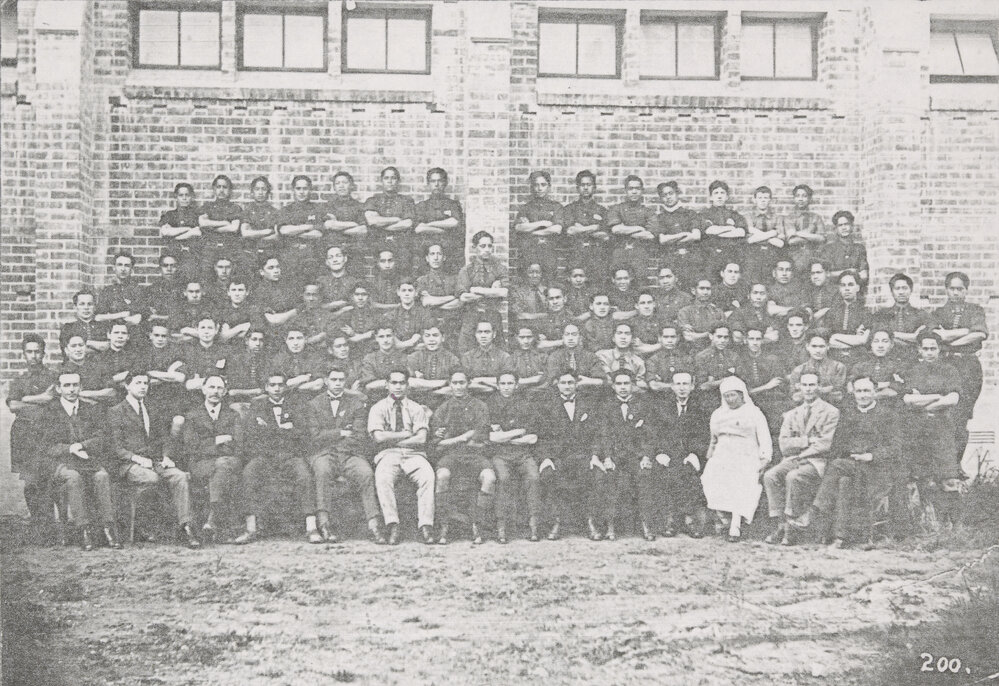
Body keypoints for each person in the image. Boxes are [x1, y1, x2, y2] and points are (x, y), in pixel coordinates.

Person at [109, 372, 200, 548]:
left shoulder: (152, 408)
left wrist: (166, 456)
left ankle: (186, 527)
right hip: (129, 463)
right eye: (138, 383)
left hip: (155, 460)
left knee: (179, 476)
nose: (143, 386)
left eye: (146, 383)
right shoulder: (116, 411)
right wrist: (136, 459)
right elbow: (116, 447)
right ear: (127, 386)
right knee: (151, 478)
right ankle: (144, 526)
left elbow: (164, 438)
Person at [806, 376, 900, 547]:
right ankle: (840, 538)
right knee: (843, 480)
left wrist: (871, 456)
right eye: (859, 391)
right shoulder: (848, 415)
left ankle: (816, 509)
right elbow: (837, 446)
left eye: (867, 391)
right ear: (854, 393)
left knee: (837, 466)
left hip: (876, 469)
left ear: (875, 392)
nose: (863, 395)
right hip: (850, 467)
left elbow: (896, 447)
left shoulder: (888, 415)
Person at [234, 371, 323, 544]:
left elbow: (303, 434)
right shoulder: (256, 405)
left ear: (285, 387)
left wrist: (269, 429)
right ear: (266, 387)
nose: (276, 389)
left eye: (280, 385)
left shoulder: (296, 405)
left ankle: (311, 527)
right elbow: (252, 434)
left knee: (304, 475)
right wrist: (283, 430)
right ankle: (250, 528)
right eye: (272, 385)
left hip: (290, 454)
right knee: (249, 473)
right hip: (264, 455)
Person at [40, 371, 120, 550]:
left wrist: (81, 445)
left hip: (86, 459)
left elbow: (100, 437)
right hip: (60, 462)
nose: (71, 389)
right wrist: (70, 448)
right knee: (73, 478)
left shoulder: (90, 409)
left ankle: (108, 528)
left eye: (75, 385)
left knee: (102, 476)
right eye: (66, 386)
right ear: (59, 389)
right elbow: (46, 446)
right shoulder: (49, 412)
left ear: (81, 387)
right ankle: (83, 529)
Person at [307, 367, 386, 544]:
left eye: (341, 380)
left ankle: (374, 525)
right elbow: (315, 437)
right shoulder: (314, 404)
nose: (337, 384)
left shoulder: (356, 404)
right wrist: (342, 432)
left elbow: (358, 435)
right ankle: (324, 524)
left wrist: (331, 435)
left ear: (345, 382)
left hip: (350, 454)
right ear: (326, 381)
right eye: (333, 380)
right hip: (324, 454)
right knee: (322, 471)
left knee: (365, 473)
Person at [764, 371, 841, 545]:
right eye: (805, 385)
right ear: (799, 386)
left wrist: (800, 451)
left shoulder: (831, 412)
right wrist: (807, 440)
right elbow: (784, 444)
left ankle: (791, 528)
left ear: (819, 387)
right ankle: (781, 524)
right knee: (770, 475)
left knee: (794, 477)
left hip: (817, 461)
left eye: (812, 385)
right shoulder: (791, 414)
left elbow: (825, 443)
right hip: (793, 459)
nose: (808, 389)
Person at [898, 332, 964, 528]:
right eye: (925, 349)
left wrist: (923, 402)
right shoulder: (912, 371)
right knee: (923, 476)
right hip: (918, 429)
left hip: (942, 428)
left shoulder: (949, 370)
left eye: (932, 348)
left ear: (939, 349)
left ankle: (955, 524)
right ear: (919, 350)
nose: (929, 353)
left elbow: (953, 399)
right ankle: (929, 523)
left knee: (948, 476)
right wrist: (937, 397)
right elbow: (907, 400)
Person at [367, 369, 436, 545]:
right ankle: (392, 524)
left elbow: (421, 438)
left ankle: (426, 525)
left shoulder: (416, 408)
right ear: (386, 385)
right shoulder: (378, 408)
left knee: (428, 475)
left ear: (408, 385)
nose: (398, 387)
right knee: (382, 477)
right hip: (389, 454)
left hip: (414, 454)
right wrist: (406, 434)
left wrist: (395, 439)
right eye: (394, 383)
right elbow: (378, 437)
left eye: (402, 383)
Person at [700, 376, 772, 542]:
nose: (730, 399)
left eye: (733, 395)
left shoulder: (754, 413)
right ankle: (724, 519)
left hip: (746, 454)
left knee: (741, 482)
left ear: (742, 395)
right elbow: (713, 439)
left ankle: (736, 525)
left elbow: (764, 438)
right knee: (709, 478)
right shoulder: (718, 414)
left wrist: (764, 458)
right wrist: (709, 457)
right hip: (723, 454)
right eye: (727, 396)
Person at [591, 371, 659, 541]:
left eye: (626, 384)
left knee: (644, 477)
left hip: (636, 457)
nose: (623, 387)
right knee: (609, 478)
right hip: (614, 456)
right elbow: (603, 435)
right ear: (613, 386)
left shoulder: (643, 405)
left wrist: (646, 457)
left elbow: (649, 435)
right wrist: (606, 457)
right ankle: (610, 525)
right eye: (619, 384)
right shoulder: (605, 407)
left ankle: (646, 525)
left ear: (632, 385)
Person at [430, 369, 495, 544]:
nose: (458, 387)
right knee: (442, 475)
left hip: (475, 455)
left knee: (489, 477)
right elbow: (437, 443)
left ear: (469, 384)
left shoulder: (480, 406)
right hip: (450, 456)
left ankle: (477, 524)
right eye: (455, 383)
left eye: (462, 383)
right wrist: (463, 437)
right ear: (450, 384)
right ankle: (444, 525)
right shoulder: (443, 409)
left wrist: (451, 439)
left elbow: (480, 436)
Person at [930, 271, 989, 462]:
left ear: (966, 290)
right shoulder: (938, 313)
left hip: (968, 366)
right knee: (945, 414)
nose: (956, 293)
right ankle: (943, 464)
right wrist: (964, 332)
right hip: (945, 366)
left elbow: (979, 334)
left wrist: (950, 339)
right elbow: (936, 337)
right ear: (946, 290)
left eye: (960, 289)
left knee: (962, 415)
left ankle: (957, 464)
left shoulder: (975, 310)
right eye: (952, 289)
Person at [536, 370, 599, 540]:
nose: (567, 386)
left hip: (583, 454)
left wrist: (594, 455)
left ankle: (590, 521)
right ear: (557, 384)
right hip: (558, 456)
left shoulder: (588, 405)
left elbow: (598, 434)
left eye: (570, 383)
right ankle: (557, 521)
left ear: (577, 384)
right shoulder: (546, 406)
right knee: (549, 475)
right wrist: (546, 458)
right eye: (563, 383)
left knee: (594, 474)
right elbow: (541, 437)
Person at [180, 375, 243, 542]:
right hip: (201, 464)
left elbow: (238, 444)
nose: (215, 392)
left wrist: (207, 445)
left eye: (219, 388)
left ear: (225, 391)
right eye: (211, 387)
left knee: (224, 465)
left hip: (229, 461)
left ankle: (212, 520)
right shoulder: (192, 415)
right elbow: (191, 447)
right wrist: (219, 440)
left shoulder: (233, 415)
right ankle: (214, 521)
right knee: (222, 466)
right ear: (203, 389)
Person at [7, 334, 57, 524]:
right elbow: (13, 406)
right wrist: (39, 399)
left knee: (47, 477)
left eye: (37, 352)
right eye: (30, 352)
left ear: (43, 353)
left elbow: (52, 401)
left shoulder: (52, 376)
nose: (34, 356)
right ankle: (38, 521)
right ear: (24, 354)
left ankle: (48, 522)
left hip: (46, 432)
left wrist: (26, 399)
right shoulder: (19, 380)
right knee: (30, 480)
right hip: (24, 434)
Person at [656, 371, 711, 538]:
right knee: (667, 472)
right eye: (678, 384)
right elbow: (655, 433)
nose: (682, 388)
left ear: (692, 387)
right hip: (668, 454)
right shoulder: (662, 407)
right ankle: (671, 519)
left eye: (685, 384)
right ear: (672, 387)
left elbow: (705, 435)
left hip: (692, 454)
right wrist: (660, 452)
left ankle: (690, 520)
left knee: (689, 473)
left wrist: (696, 453)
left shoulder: (701, 408)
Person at [488, 373, 541, 543]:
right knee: (503, 479)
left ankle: (533, 524)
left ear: (517, 385)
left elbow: (533, 438)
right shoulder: (491, 405)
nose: (506, 386)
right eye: (502, 383)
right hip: (500, 454)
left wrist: (505, 435)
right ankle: (501, 526)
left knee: (533, 477)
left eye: (510, 383)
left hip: (523, 454)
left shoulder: (526, 404)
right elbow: (492, 438)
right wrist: (519, 431)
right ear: (497, 385)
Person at [454, 231, 508, 350]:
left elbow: (504, 292)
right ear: (475, 247)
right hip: (471, 316)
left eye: (489, 246)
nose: (487, 249)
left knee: (499, 351)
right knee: (466, 350)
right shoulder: (467, 271)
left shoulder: (499, 268)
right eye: (483, 246)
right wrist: (491, 292)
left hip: (492, 315)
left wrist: (475, 290)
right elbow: (463, 297)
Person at [364, 167, 417, 275]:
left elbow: (408, 223)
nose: (390, 181)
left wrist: (381, 224)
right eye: (386, 178)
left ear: (398, 181)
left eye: (393, 178)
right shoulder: (373, 200)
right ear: (382, 181)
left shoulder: (406, 201)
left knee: (403, 277)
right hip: (378, 245)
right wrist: (396, 219)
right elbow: (372, 221)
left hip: (401, 246)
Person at [654, 181, 705, 290]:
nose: (668, 197)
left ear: (677, 194)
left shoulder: (690, 214)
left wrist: (672, 238)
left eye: (671, 193)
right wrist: (684, 234)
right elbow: (662, 240)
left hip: (690, 260)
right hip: (670, 260)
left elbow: (696, 236)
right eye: (664, 195)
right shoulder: (660, 218)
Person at [562, 170, 610, 284]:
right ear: (577, 188)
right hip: (576, 255)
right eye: (582, 185)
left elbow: (605, 236)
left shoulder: (602, 210)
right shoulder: (570, 209)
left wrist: (581, 229)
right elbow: (570, 231)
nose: (585, 188)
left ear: (594, 187)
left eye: (588, 185)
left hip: (596, 256)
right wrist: (594, 227)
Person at [513, 170, 564, 276]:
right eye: (536, 185)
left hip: (548, 255)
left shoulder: (556, 207)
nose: (539, 188)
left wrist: (531, 231)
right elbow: (519, 227)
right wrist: (543, 223)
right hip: (528, 254)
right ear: (532, 187)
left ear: (549, 186)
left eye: (543, 185)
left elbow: (557, 229)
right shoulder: (525, 208)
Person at [414, 167, 464, 274]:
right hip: (426, 255)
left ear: (445, 183)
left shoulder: (453, 204)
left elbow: (455, 222)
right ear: (428, 184)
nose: (436, 184)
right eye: (433, 181)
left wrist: (429, 224)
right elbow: (418, 228)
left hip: (448, 254)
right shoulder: (421, 206)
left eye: (440, 181)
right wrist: (443, 229)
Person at [607, 175, 657, 279]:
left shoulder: (648, 212)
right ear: (625, 191)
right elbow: (616, 229)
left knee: (639, 283)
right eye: (631, 189)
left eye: (637, 189)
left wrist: (625, 229)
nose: (634, 192)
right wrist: (639, 228)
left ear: (642, 191)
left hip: (640, 254)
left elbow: (650, 235)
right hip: (619, 252)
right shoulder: (616, 209)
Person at [873, 272, 929, 362]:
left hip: (913, 360)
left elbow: (921, 339)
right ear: (892, 291)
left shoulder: (921, 314)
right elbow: (879, 337)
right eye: (897, 289)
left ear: (911, 290)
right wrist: (912, 337)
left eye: (905, 288)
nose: (901, 292)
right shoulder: (882, 314)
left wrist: (891, 336)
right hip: (887, 360)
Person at [277, 175, 324, 282]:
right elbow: (283, 231)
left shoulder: (318, 210)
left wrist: (294, 231)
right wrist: (309, 226)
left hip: (312, 257)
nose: (301, 192)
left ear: (310, 190)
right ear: (293, 190)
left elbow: (318, 234)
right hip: (290, 258)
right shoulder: (286, 210)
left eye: (305, 188)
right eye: (298, 188)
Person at [819, 270, 871, 364]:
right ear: (839, 288)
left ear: (858, 287)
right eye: (843, 285)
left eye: (850, 285)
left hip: (858, 358)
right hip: (834, 358)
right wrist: (854, 340)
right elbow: (827, 340)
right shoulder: (832, 312)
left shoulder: (865, 312)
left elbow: (864, 341)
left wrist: (836, 337)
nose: (847, 289)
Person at [322, 171, 369, 273]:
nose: (341, 186)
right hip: (334, 251)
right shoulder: (328, 206)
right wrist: (353, 224)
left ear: (351, 185)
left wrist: (337, 227)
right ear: (334, 187)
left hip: (354, 252)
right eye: (337, 183)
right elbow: (328, 225)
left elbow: (363, 230)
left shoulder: (359, 206)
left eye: (344, 182)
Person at [699, 180, 748, 274]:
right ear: (711, 197)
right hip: (711, 257)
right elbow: (709, 230)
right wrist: (730, 228)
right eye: (716, 193)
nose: (719, 196)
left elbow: (741, 232)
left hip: (731, 256)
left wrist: (718, 232)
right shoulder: (704, 214)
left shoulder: (734, 214)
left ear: (727, 197)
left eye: (722, 193)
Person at [778, 183, 826, 276]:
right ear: (794, 198)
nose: (800, 199)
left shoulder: (816, 218)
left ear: (809, 198)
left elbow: (822, 239)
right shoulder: (789, 218)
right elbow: (791, 241)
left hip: (813, 257)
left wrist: (798, 233)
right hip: (794, 259)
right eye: (797, 196)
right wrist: (812, 232)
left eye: (804, 196)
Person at [542, 322, 606, 391]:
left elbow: (601, 380)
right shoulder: (554, 356)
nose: (570, 338)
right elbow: (552, 380)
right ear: (563, 337)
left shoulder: (590, 356)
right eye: (567, 334)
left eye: (574, 334)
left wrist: (589, 381)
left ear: (580, 337)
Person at [198, 175, 243, 271]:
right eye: (218, 187)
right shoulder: (207, 206)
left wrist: (210, 228)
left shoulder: (235, 208)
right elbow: (202, 223)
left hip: (229, 249)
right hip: (210, 250)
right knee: (207, 275)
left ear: (230, 190)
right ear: (214, 189)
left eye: (225, 187)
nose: (221, 190)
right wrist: (225, 223)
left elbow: (234, 228)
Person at [787, 334, 847, 404]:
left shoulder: (838, 367)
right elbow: (795, 397)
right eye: (814, 346)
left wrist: (807, 391)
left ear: (828, 346)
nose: (818, 351)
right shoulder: (799, 370)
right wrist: (826, 390)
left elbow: (839, 395)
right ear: (807, 347)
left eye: (822, 346)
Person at [159, 182, 204, 276]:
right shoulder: (170, 215)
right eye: (181, 195)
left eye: (187, 195)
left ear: (191, 197)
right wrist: (188, 229)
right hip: (174, 257)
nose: (184, 198)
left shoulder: (197, 215)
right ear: (176, 196)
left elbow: (198, 232)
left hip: (192, 257)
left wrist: (174, 235)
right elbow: (165, 232)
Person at [239, 176, 282, 273]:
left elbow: (276, 236)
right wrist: (267, 231)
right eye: (257, 189)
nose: (260, 192)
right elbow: (245, 233)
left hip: (269, 254)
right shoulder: (248, 211)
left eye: (263, 189)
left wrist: (254, 234)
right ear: (252, 192)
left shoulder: (275, 212)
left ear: (268, 192)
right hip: (251, 253)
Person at [460, 319, 514, 395]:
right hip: (474, 397)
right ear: (475, 334)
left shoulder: (504, 357)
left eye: (487, 332)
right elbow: (465, 383)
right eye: (480, 332)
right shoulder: (467, 357)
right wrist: (493, 383)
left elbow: (506, 382)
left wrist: (480, 380)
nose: (483, 336)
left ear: (494, 334)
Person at [744, 186, 785, 285]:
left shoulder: (777, 218)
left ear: (770, 200)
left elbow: (780, 242)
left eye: (766, 198)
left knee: (770, 281)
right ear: (754, 200)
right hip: (753, 254)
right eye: (760, 198)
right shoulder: (748, 216)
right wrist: (772, 233)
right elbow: (749, 240)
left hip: (772, 253)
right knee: (752, 280)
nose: (763, 201)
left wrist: (757, 235)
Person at [96, 252, 144, 329]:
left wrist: (111, 316)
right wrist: (123, 314)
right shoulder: (106, 291)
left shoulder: (138, 291)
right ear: (114, 268)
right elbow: (98, 317)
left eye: (127, 266)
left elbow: (138, 318)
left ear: (132, 269)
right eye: (119, 265)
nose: (123, 269)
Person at [596, 323, 647, 389]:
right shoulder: (602, 356)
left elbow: (640, 384)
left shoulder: (638, 362)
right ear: (613, 338)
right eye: (619, 333)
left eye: (627, 334)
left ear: (632, 339)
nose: (623, 337)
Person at [677, 279, 725, 351]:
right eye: (702, 288)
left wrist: (700, 335)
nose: (705, 292)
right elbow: (689, 337)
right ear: (693, 291)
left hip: (715, 351)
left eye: (708, 289)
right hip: (693, 351)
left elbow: (723, 334)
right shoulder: (685, 312)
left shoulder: (718, 312)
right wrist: (711, 333)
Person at [822, 210, 868, 283]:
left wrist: (838, 274)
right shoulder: (828, 249)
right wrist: (849, 271)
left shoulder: (859, 248)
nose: (844, 228)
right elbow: (827, 274)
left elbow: (864, 275)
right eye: (840, 225)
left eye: (846, 224)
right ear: (836, 229)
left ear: (852, 226)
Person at [646, 325, 694, 393]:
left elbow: (692, 384)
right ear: (660, 338)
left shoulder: (686, 358)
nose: (669, 340)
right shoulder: (653, 360)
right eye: (666, 337)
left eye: (673, 337)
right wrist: (678, 386)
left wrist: (662, 384)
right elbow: (654, 385)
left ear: (678, 338)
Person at [694, 324, 739, 395]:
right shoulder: (702, 357)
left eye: (726, 337)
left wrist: (712, 382)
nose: (722, 340)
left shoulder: (733, 356)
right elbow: (702, 386)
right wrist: (726, 380)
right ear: (711, 336)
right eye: (719, 337)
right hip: (710, 397)